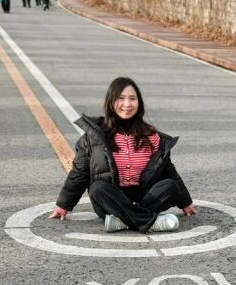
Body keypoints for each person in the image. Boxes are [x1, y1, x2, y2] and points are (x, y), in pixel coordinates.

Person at [49, 77, 196, 233]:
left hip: (144, 197)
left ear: (139, 103)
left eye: (132, 99)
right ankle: (150, 222)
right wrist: (64, 205)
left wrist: (185, 202)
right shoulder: (95, 137)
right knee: (98, 188)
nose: (127, 104)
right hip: (111, 200)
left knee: (171, 186)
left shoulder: (151, 135)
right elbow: (79, 173)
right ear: (111, 102)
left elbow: (168, 170)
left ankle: (122, 221)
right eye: (121, 99)